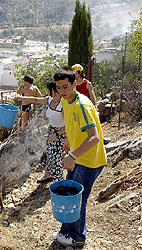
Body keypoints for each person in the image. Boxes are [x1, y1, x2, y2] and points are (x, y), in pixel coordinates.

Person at [52, 67, 107, 247]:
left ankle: (77, 237)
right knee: (69, 197)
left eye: (65, 87)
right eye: (58, 88)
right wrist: (69, 139)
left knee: (78, 200)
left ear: (75, 83)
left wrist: (73, 155)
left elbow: (94, 137)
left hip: (89, 160)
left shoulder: (81, 105)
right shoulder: (66, 101)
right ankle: (66, 231)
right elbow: (72, 124)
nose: (62, 91)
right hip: (78, 157)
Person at [16, 82, 66, 183]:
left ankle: (59, 183)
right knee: (48, 154)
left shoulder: (63, 104)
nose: (48, 92)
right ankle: (48, 175)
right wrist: (21, 99)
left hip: (61, 134)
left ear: (55, 90)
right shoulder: (50, 100)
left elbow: (69, 125)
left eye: (49, 90)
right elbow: (35, 100)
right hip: (51, 131)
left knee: (55, 159)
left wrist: (56, 135)